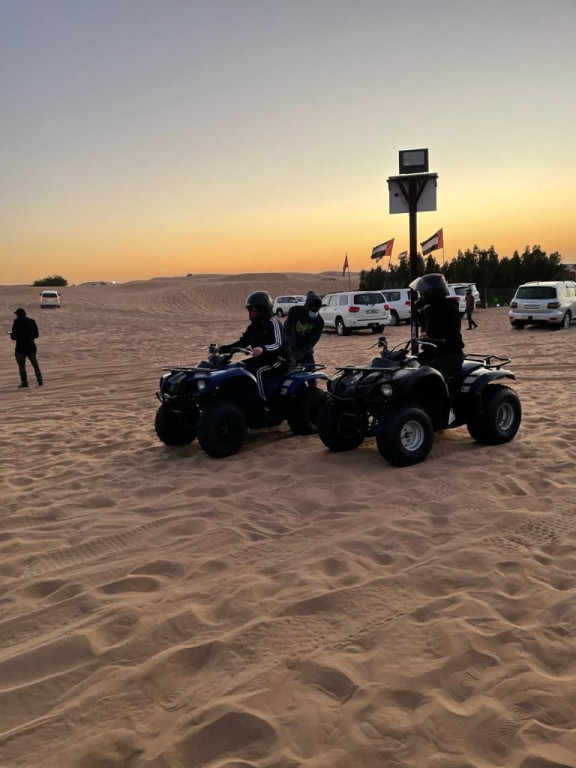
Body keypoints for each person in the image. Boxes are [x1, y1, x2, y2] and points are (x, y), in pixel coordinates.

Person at [219, 291, 289, 398]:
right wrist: (221, 349)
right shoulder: (254, 326)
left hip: (279, 359)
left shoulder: (273, 323)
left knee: (258, 371)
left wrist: (262, 349)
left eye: (254, 310)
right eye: (250, 310)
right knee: (239, 368)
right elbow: (242, 343)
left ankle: (261, 401)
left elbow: (277, 344)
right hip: (262, 359)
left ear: (263, 309)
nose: (251, 313)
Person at [409, 274, 464, 375]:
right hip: (432, 353)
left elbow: (443, 328)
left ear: (433, 292)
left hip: (450, 354)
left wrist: (427, 311)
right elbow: (425, 329)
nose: (421, 297)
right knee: (407, 363)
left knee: (428, 373)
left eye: (423, 294)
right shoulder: (429, 308)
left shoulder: (449, 308)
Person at [283, 291, 324, 369]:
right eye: (312, 309)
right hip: (289, 349)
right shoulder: (295, 311)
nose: (315, 311)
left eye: (317, 309)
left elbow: (312, 341)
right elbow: (288, 332)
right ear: (307, 306)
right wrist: (290, 352)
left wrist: (300, 354)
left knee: (310, 372)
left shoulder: (319, 322)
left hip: (305, 352)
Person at [9, 307, 43, 388]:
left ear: (18, 315)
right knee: (35, 365)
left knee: (22, 367)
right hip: (31, 347)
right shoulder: (32, 322)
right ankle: (40, 380)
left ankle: (24, 382)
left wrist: (13, 334)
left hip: (20, 348)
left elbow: (13, 337)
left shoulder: (16, 323)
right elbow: (36, 335)